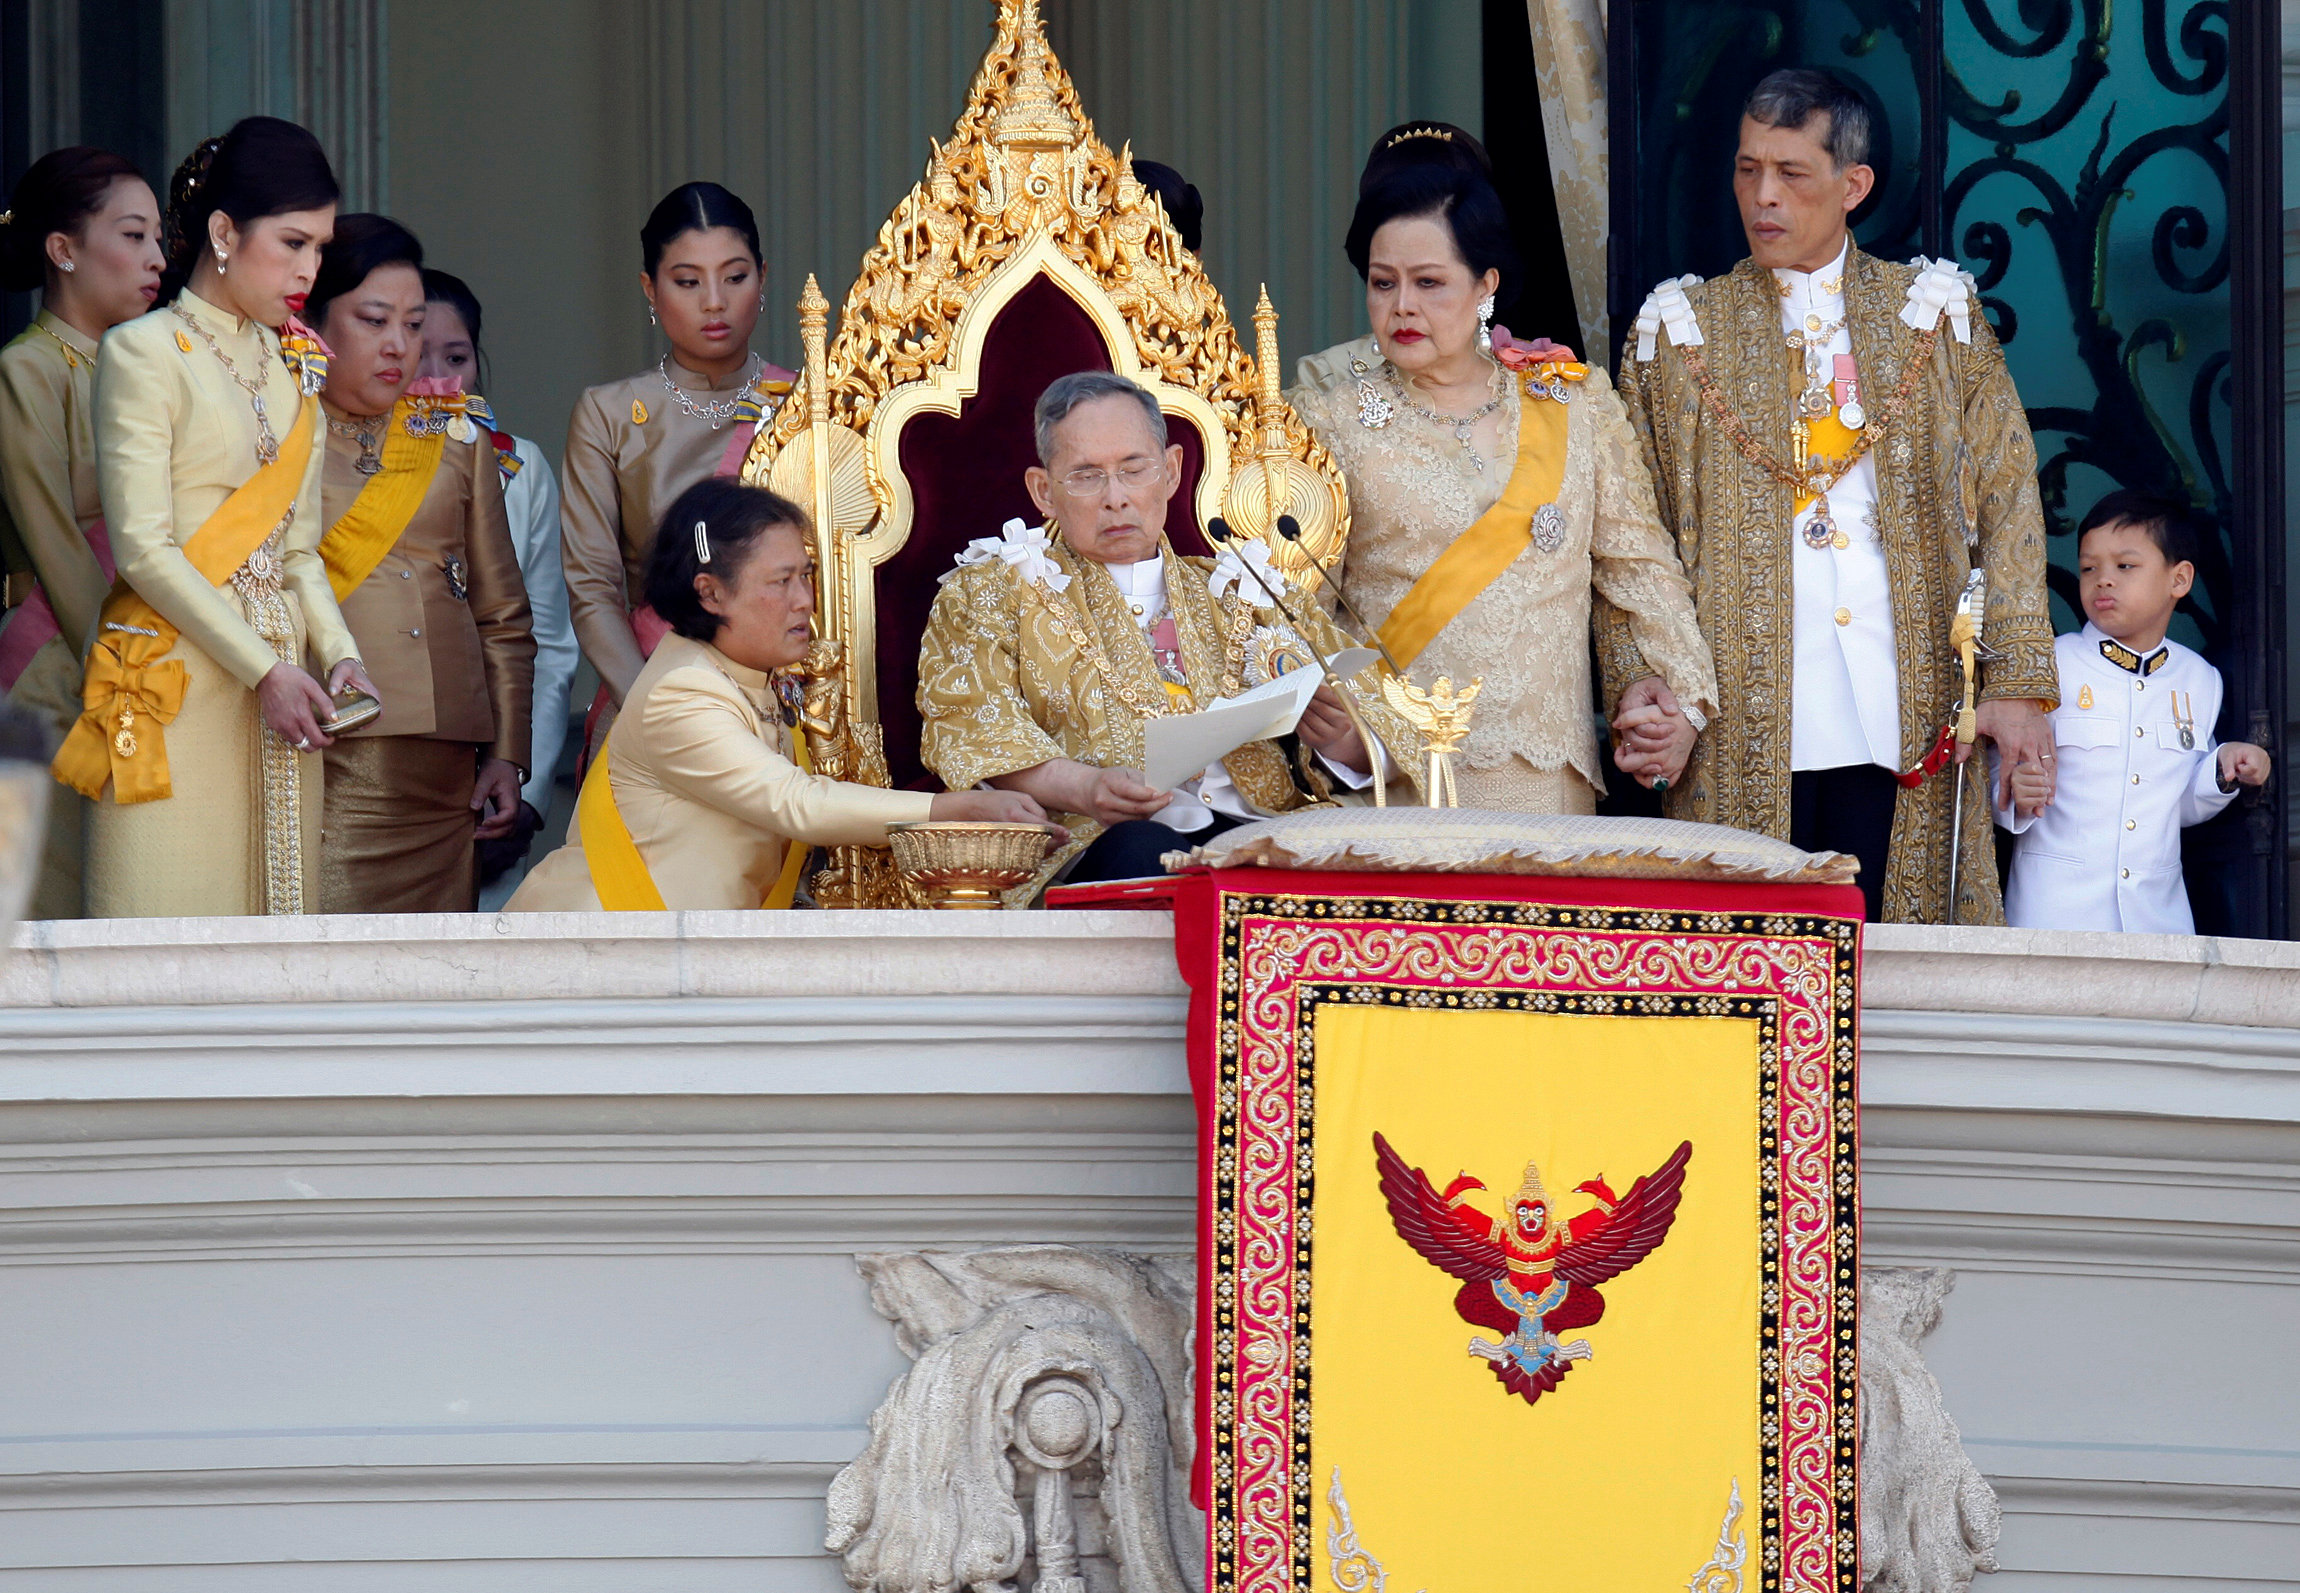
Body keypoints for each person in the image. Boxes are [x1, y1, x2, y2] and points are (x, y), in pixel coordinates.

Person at [1613, 69, 2059, 923]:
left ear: (1853, 185)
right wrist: (1646, 683)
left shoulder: (1934, 312)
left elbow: (2008, 498)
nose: (1763, 197)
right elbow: (1635, 541)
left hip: (1907, 708)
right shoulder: (1677, 331)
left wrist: (2017, 680)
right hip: (1739, 720)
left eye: (1792, 173)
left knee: (1905, 994)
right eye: (1748, 171)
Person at [1288, 123, 1717, 814]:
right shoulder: (1323, 420)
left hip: (1548, 783)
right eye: (1383, 282)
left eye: (1430, 283)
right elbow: (1289, 609)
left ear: (1486, 283)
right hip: (1392, 783)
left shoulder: (1573, 404)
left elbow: (1643, 572)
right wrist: (1331, 716)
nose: (1402, 306)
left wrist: (1682, 701)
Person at [916, 371, 1415, 894]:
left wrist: (1345, 743)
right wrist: (1086, 788)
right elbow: (972, 729)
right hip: (1102, 841)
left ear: (1172, 471)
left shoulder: (1247, 589)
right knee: (1143, 852)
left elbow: (1380, 720)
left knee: (1357, 851)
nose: (1116, 498)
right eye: (1087, 476)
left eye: (1134, 469)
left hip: (1265, 832)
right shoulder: (991, 593)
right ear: (1043, 491)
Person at [53, 117, 375, 918]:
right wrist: (262, 669)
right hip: (179, 679)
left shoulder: (296, 374)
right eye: (293, 243)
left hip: (285, 686)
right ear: (225, 232)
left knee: (269, 959)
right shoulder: (144, 351)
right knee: (162, 937)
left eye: (321, 248)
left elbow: (298, 556)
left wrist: (338, 655)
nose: (310, 269)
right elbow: (143, 550)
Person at [510, 479, 1044, 911]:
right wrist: (957, 808)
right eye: (781, 581)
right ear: (711, 592)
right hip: (603, 953)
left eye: (806, 576)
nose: (804, 601)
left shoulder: (751, 674)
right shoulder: (683, 692)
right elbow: (797, 803)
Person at [307, 215, 534, 913]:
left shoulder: (456, 435)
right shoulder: (281, 432)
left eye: (412, 324)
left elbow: (502, 613)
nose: (399, 347)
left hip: (448, 778)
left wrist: (508, 753)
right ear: (313, 322)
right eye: (375, 320)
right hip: (332, 762)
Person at [560, 182, 795, 758]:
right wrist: (656, 708)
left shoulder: (807, 403)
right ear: (651, 288)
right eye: (688, 282)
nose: (714, 302)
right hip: (651, 692)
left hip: (788, 706)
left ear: (762, 278)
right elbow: (593, 587)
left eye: (735, 277)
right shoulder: (609, 413)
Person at [0, 147, 165, 917]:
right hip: (64, 661)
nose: (156, 259)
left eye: (158, 238)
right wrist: (118, 655)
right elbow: (54, 537)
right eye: (133, 236)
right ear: (62, 250)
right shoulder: (27, 370)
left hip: (143, 661)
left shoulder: (154, 370)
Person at [1997, 490, 2270, 934]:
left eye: (2125, 566)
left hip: (2157, 918)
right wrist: (2011, 791)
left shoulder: (2200, 679)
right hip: (2054, 913)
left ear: (2178, 580)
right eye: (2089, 568)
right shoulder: (2048, 664)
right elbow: (1993, 770)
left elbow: (2175, 805)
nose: (2104, 580)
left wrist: (2221, 772)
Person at [418, 266, 577, 892]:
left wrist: (528, 787)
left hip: (491, 765)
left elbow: (546, 641)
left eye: (455, 356)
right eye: (412, 348)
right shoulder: (337, 458)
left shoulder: (519, 467)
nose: (435, 377)